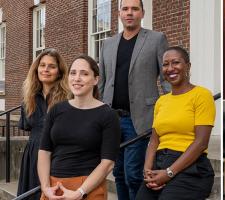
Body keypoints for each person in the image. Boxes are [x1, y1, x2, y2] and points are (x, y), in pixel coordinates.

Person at [98, 0, 170, 199]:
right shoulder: (108, 44)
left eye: (135, 9)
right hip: (111, 119)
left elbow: (167, 78)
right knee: (118, 173)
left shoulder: (156, 39)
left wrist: (172, 108)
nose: (130, 13)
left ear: (142, 13)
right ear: (119, 13)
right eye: (125, 9)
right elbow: (103, 81)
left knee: (133, 173)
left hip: (139, 118)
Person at [135, 46, 216, 200]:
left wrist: (169, 172)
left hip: (190, 167)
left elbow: (201, 143)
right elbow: (154, 141)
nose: (170, 68)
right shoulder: (161, 101)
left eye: (176, 62)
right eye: (165, 64)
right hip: (159, 163)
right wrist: (147, 170)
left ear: (188, 66)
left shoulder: (202, 95)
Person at [38, 55, 120, 200]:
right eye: (73, 73)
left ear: (95, 79)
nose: (77, 78)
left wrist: (80, 192)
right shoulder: (56, 110)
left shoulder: (108, 115)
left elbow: (107, 163)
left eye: (84, 73)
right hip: (54, 188)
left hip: (88, 188)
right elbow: (44, 152)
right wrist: (46, 187)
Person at [17, 48, 69, 199]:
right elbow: (26, 126)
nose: (46, 69)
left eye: (52, 66)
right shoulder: (28, 98)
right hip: (33, 154)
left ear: (59, 72)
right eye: (42, 65)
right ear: (36, 69)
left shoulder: (68, 98)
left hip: (58, 155)